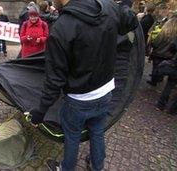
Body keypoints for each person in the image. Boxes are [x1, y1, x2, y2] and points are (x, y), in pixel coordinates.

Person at [29, 0, 138, 170]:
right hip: (105, 91)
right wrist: (122, 7)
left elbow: (54, 80)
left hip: (79, 100)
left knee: (72, 136)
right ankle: (97, 166)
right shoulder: (108, 8)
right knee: (97, 130)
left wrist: (40, 112)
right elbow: (130, 21)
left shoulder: (61, 28)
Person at [150, 17, 177, 110]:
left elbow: (157, 42)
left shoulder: (164, 31)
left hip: (161, 54)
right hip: (169, 56)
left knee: (170, 83)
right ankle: (173, 108)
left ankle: (161, 103)